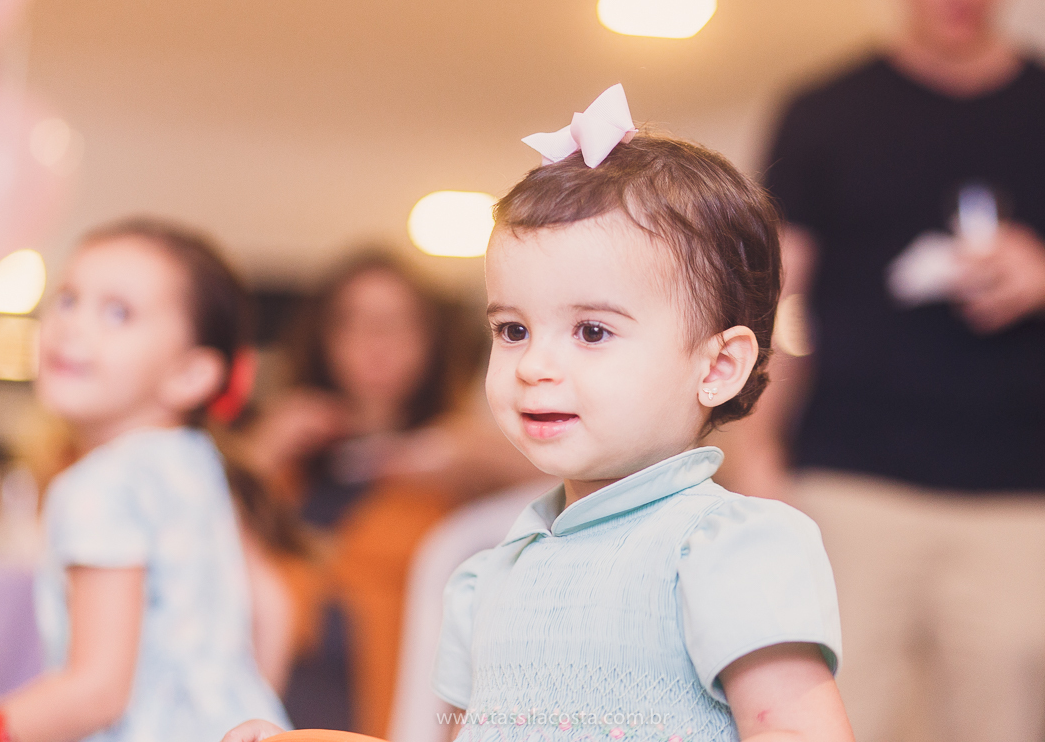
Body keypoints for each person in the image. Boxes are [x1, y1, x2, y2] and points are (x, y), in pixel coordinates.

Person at [223, 85, 853, 742]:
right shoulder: (488, 573)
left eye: (592, 331)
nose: (533, 365)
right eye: (514, 330)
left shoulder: (728, 546)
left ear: (717, 367)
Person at [723, 0, 1045, 740]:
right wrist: (756, 456)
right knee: (833, 718)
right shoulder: (823, 111)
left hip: (1020, 494)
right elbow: (769, 298)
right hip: (849, 483)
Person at [0, 220, 291, 742]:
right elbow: (273, 607)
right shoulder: (198, 463)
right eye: (67, 300)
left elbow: (96, 693)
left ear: (190, 375)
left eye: (117, 313)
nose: (72, 326)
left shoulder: (98, 487)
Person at [240, 251, 539, 735]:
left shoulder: (458, 460)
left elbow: (564, 472)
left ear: (431, 340)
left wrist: (453, 452)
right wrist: (263, 449)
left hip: (390, 717)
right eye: (353, 322)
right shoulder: (286, 459)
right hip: (267, 707)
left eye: (397, 324)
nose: (375, 342)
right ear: (323, 337)